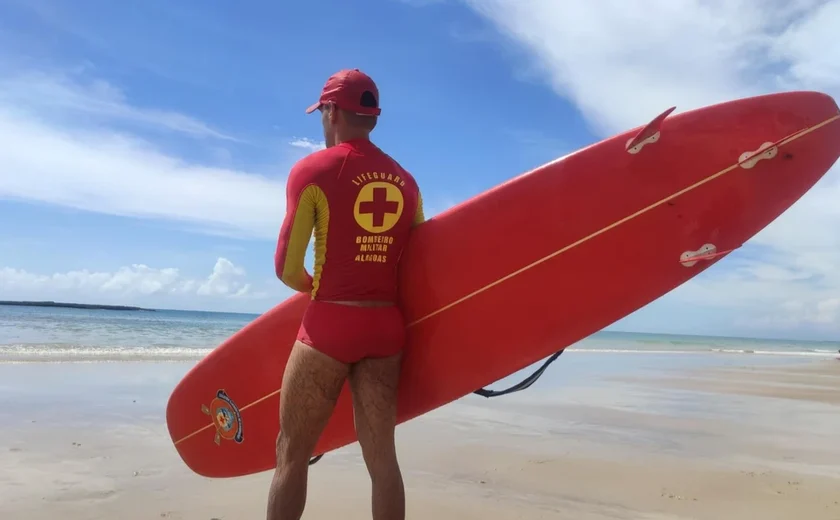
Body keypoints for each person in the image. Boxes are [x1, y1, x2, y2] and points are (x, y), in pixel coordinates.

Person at [267, 68, 424, 520]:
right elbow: (416, 261)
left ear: (332, 111)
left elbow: (286, 267)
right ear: (371, 116)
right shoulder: (406, 181)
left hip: (329, 328)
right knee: (382, 462)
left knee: (291, 453)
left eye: (322, 113)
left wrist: (314, 288)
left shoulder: (313, 170)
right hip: (386, 330)